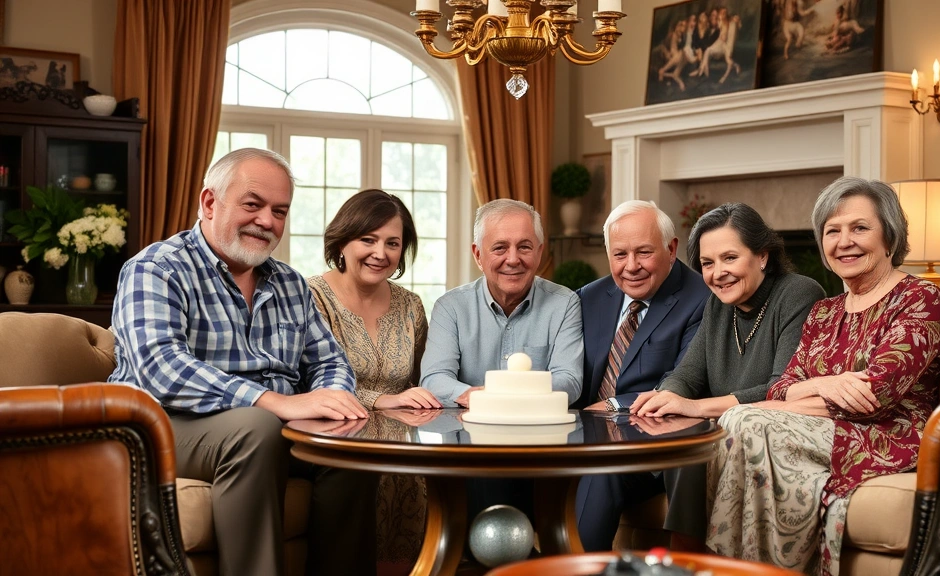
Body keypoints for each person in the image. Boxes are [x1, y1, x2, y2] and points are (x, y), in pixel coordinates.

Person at [108, 148, 378, 576]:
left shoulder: (289, 282)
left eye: (280, 211)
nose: (268, 221)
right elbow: (159, 367)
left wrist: (334, 402)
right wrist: (273, 402)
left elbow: (329, 361)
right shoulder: (157, 268)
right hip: (163, 426)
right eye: (253, 204)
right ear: (210, 202)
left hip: (271, 426)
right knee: (256, 428)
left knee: (351, 446)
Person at [705, 177, 940, 576]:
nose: (844, 241)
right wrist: (822, 383)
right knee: (741, 422)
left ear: (889, 236)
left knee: (742, 420)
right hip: (824, 429)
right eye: (832, 232)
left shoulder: (919, 299)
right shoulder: (825, 311)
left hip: (887, 436)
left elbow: (874, 393)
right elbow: (783, 385)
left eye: (859, 228)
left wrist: (797, 396)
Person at [631, 203, 825, 550]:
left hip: (767, 435)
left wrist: (696, 407)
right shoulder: (718, 305)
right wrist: (667, 396)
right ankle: (685, 561)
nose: (718, 273)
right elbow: (687, 374)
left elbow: (781, 389)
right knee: (681, 435)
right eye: (708, 263)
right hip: (722, 430)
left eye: (730, 258)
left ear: (762, 256)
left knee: (692, 443)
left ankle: (684, 558)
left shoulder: (799, 293)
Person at [420, 198, 584, 520]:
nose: (513, 259)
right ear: (478, 255)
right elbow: (434, 379)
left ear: (539, 252)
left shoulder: (565, 303)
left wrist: (500, 398)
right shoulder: (451, 307)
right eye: (499, 248)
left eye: (524, 247)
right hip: (470, 446)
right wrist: (475, 397)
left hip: (544, 448)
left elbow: (570, 379)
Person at [307, 189, 441, 567]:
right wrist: (378, 400)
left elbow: (420, 380)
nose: (380, 252)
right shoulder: (309, 296)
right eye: (368, 239)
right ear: (343, 240)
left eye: (392, 243)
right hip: (336, 440)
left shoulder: (411, 305)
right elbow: (304, 381)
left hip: (403, 443)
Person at [572, 200, 710, 552]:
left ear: (671, 248)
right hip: (581, 437)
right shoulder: (589, 297)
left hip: (649, 448)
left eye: (644, 252)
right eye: (620, 255)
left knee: (603, 469)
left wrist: (615, 404)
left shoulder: (701, 299)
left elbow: (684, 381)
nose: (630, 266)